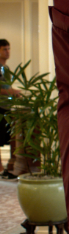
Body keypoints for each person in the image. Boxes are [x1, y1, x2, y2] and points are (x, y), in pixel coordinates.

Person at [0, 39, 21, 179]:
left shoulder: (6, 69)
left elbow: (6, 88)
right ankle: (0, 169)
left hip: (7, 107)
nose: (8, 52)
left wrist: (15, 92)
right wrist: (11, 92)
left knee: (9, 137)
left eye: (8, 49)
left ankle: (8, 167)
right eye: (4, 49)